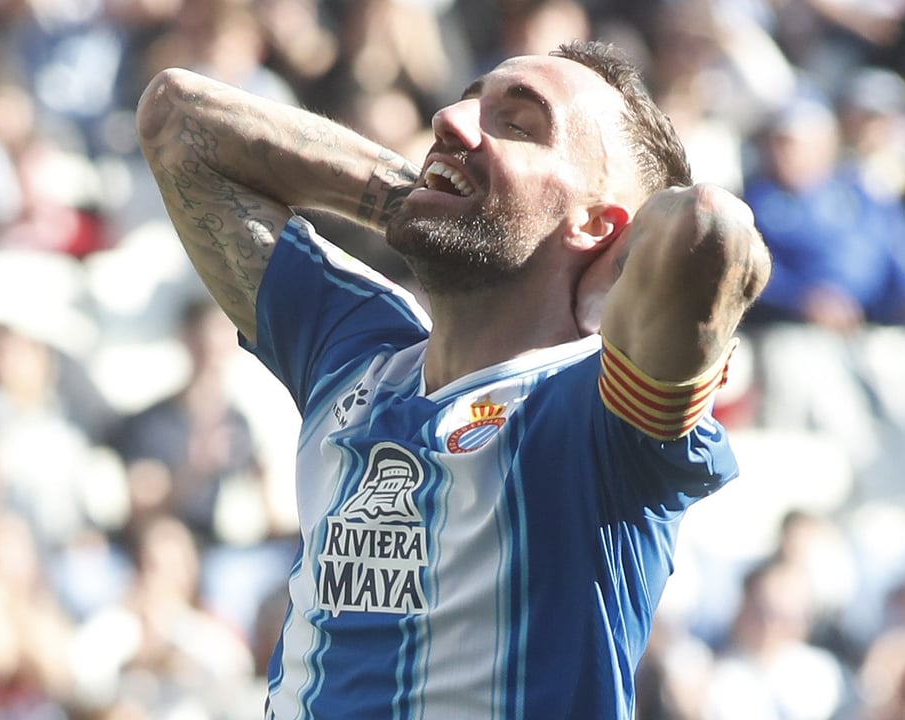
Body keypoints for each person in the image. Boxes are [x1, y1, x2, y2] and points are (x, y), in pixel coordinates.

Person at [136, 38, 770, 719]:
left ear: (598, 225)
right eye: (469, 103)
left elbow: (708, 227)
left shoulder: (603, 416)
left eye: (517, 124)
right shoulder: (357, 347)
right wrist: (426, 199)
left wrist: (588, 269)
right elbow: (179, 118)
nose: (449, 120)